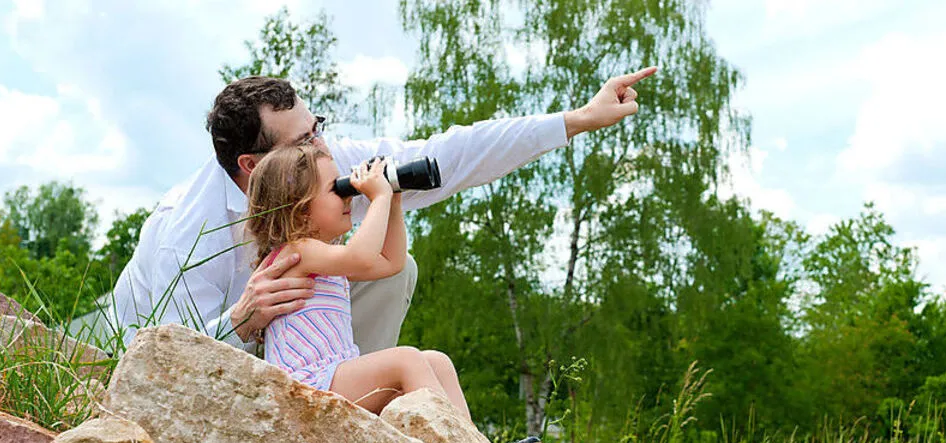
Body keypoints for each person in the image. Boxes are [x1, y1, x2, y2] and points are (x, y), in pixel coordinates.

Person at [108, 68, 657, 359]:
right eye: (305, 138)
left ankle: (355, 417)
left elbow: (451, 154)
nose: (324, 148)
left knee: (401, 270)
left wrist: (577, 119)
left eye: (317, 127)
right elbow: (162, 360)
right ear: (252, 165)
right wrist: (239, 320)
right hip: (185, 361)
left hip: (291, 360)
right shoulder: (187, 231)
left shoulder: (322, 162)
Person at [244, 144, 536, 443]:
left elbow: (390, 262)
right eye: (338, 189)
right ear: (299, 207)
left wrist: (393, 199)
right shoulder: (296, 251)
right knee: (406, 359)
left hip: (330, 380)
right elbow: (362, 255)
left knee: (437, 361)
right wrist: (378, 197)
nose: (348, 197)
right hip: (304, 390)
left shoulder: (321, 259)